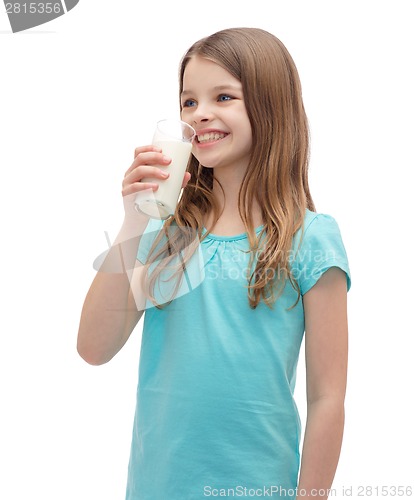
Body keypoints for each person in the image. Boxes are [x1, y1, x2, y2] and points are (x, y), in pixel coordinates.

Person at [77, 27, 351, 500]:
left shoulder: (310, 239)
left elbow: (327, 398)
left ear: (270, 106)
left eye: (223, 96)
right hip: (156, 488)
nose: (199, 113)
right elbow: (93, 348)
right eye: (188, 102)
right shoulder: (166, 234)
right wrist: (131, 224)